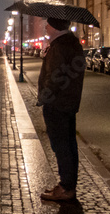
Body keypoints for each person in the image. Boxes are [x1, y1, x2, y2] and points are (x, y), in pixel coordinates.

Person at [37, 16, 87, 202]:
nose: (46, 28)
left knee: (61, 146)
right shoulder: (71, 43)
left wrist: (44, 98)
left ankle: (66, 188)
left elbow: (54, 77)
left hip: (57, 104)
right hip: (68, 103)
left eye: (48, 25)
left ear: (55, 27)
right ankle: (68, 185)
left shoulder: (59, 47)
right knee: (69, 144)